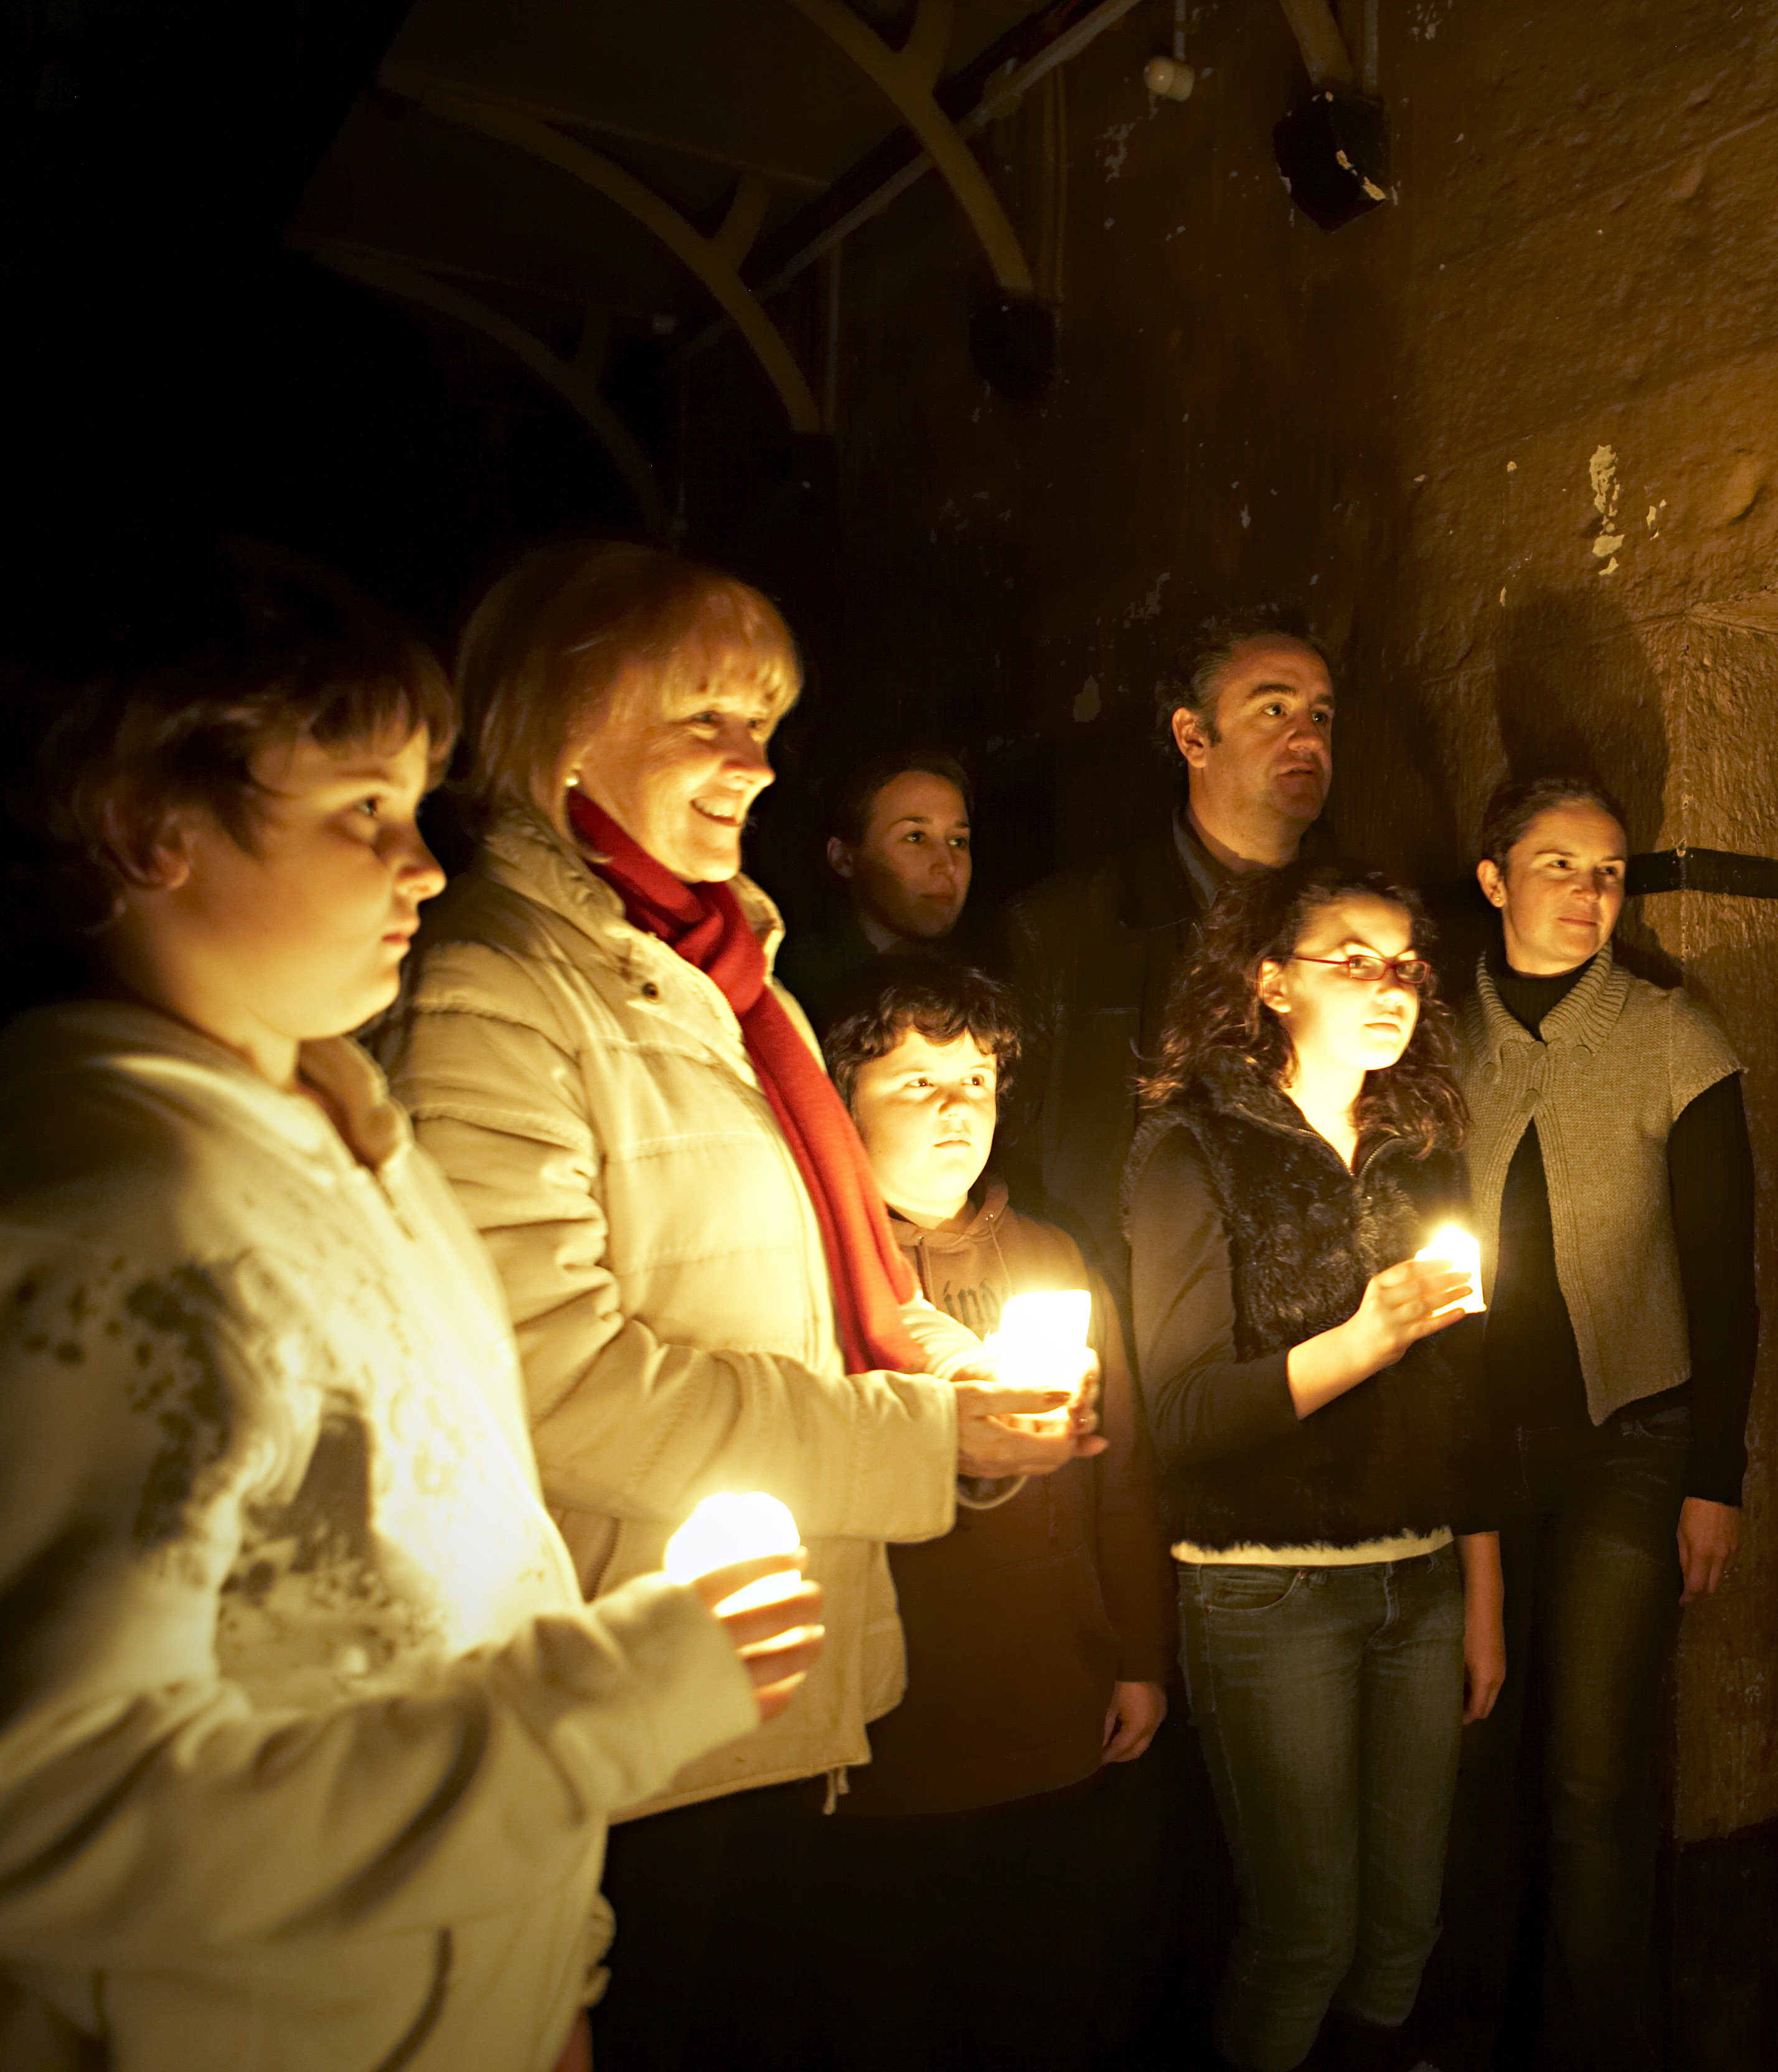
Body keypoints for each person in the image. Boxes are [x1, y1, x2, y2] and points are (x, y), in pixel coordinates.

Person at [0, 540, 812, 2072]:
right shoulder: (112, 1227)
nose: (421, 864)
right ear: (142, 830)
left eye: (415, 804)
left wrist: (550, 1968)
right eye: (360, 814)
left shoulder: (348, 1137)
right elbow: (56, 1817)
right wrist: (611, 1703)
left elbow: (437, 1585)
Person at [383, 540, 1088, 2070]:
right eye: (708, 711)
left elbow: (818, 1282)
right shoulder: (498, 991)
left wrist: (967, 1394)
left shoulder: (727, 982)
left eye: (766, 716)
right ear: (562, 716)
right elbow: (551, 1378)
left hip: (770, 1673)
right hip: (630, 1692)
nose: (756, 759)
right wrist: (919, 1434)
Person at [1122, 862, 1506, 2072]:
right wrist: (1363, 1337)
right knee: (1306, 1931)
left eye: (1405, 965)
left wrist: (1478, 1588)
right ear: (1273, 981)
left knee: (1404, 1928)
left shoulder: (1418, 1147)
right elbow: (1180, 1413)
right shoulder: (1193, 1145)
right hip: (1268, 1587)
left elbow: (1462, 1398)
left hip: (1421, 1579)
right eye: (1354, 957)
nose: (1388, 985)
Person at [1436, 775, 1757, 2071]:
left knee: (1592, 1774)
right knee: (1473, 1757)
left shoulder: (1674, 1032)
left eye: (1610, 870)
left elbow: (1727, 1270)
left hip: (1631, 1440)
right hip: (1474, 1445)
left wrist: (1715, 1473)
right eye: (1558, 864)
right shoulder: (1436, 1033)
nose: (1587, 893)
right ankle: (1469, 2032)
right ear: (1493, 876)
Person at [807, 958, 1175, 2069]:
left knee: (1039, 1998)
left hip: (1052, 1709)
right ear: (842, 1103)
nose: (958, 1108)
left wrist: (1136, 1652)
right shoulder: (816, 1274)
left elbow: (1120, 1475)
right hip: (893, 1740)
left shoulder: (1054, 1257)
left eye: (976, 1079)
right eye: (917, 1082)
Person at [1003, 611, 1335, 1272]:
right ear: (1193, 736)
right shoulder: (1066, 930)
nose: (1308, 737)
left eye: (1322, 717)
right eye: (1274, 708)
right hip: (1133, 1321)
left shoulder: (1371, 930)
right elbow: (1018, 1158)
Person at [773, 749, 975, 1010]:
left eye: (958, 841)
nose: (947, 864)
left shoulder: (966, 983)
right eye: (916, 837)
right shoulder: (798, 987)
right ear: (844, 858)